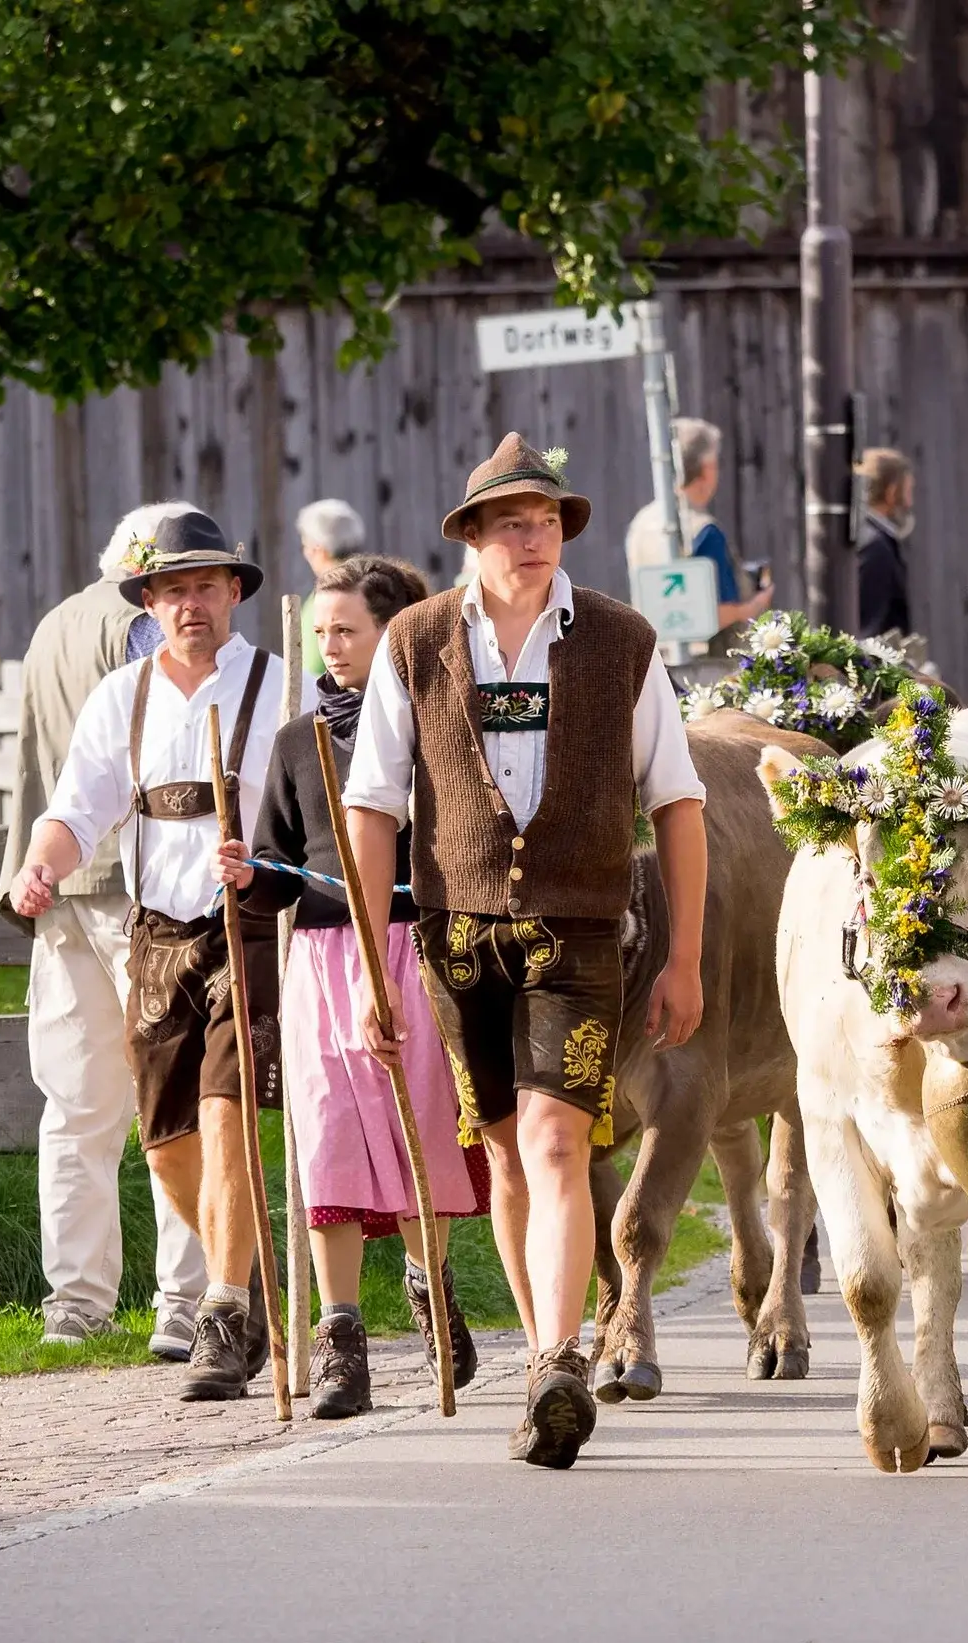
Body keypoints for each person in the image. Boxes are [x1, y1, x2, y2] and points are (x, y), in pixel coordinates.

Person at [345, 434, 708, 1467]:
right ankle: (542, 1357)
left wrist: (683, 957)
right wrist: (373, 965)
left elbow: (675, 803)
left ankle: (556, 1360)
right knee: (503, 1151)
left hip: (580, 935)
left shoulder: (620, 640)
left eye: (546, 520)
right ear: (470, 535)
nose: (534, 536)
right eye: (512, 521)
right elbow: (372, 808)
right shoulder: (415, 642)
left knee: (556, 1143)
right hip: (455, 941)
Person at [9, 510, 312, 1400]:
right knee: (165, 1141)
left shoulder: (275, 686)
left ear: (234, 595)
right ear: (149, 600)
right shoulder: (123, 696)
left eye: (206, 587)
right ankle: (245, 1284)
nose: (191, 604)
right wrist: (40, 866)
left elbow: (309, 817)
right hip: (157, 934)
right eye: (174, 589)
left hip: (245, 926)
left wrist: (264, 862)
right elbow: (78, 809)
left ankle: (218, 1313)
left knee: (225, 1115)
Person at [222, 554, 481, 1418]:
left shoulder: (439, 727)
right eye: (319, 633)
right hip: (325, 959)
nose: (330, 647)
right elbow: (281, 869)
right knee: (327, 1140)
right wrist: (245, 875)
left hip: (419, 947)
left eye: (347, 631)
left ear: (394, 632)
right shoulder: (299, 741)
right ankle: (340, 1343)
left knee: (424, 1142)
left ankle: (427, 1286)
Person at [0, 501, 211, 1353]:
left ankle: (76, 1301)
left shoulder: (52, 625)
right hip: (138, 884)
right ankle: (187, 1297)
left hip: (56, 885)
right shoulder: (135, 633)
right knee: (173, 1096)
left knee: (75, 1107)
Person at [623, 417, 774, 634]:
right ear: (707, 469)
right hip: (707, 663)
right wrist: (755, 605)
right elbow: (715, 613)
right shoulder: (705, 531)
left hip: (655, 656)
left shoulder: (642, 522)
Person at [295, 499, 367, 672]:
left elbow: (312, 670)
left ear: (319, 549)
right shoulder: (376, 586)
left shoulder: (325, 598)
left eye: (305, 546)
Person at [855, 447, 915, 638]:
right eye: (907, 492)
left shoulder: (871, 539)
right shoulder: (875, 547)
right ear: (891, 492)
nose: (909, 503)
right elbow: (869, 629)